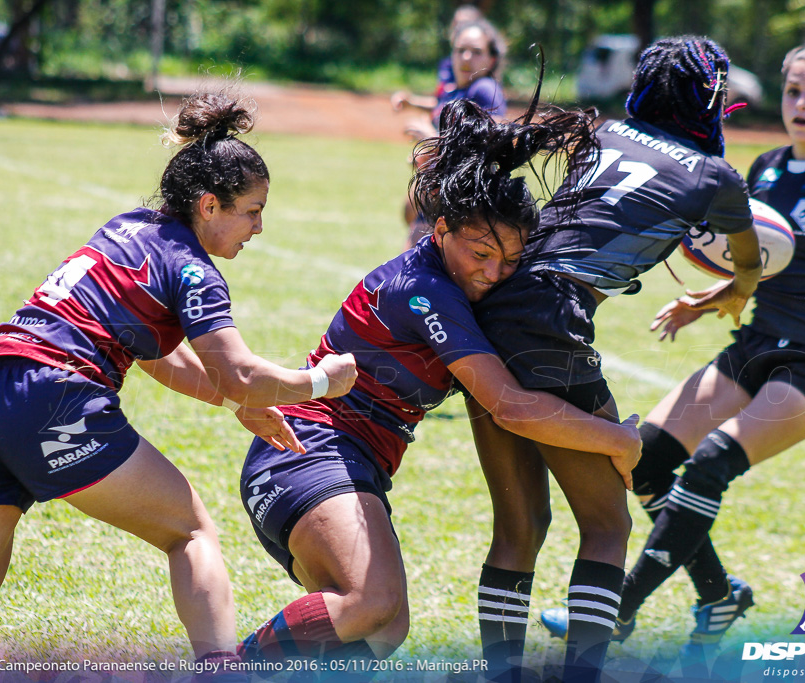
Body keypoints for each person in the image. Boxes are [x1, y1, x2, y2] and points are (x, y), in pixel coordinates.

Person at [0, 91, 358, 683]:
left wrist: (239, 398)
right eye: (252, 210)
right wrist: (321, 380)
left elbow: (159, 357)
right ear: (208, 205)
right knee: (190, 530)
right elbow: (241, 371)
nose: (258, 227)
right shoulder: (194, 268)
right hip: (55, 396)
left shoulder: (128, 228)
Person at [235, 97, 645, 673]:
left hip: (349, 469)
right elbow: (511, 407)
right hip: (306, 455)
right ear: (442, 228)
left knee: (380, 631)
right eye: (480, 253)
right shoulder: (422, 289)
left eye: (509, 261)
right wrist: (617, 440)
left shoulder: (458, 281)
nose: (493, 273)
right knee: (371, 604)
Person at [556, 41, 805, 660]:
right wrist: (701, 302)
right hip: (757, 344)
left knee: (711, 464)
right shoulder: (765, 169)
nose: (801, 104)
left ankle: (617, 612)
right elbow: (746, 262)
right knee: (642, 461)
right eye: (793, 92)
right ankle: (719, 594)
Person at [467, 36, 765, 683]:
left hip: (489, 314)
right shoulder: (716, 177)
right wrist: (737, 289)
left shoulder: (601, 133)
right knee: (608, 523)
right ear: (708, 98)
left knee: (521, 524)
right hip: (550, 320)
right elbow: (751, 258)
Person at [393, 17, 509, 249]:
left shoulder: (484, 88)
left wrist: (434, 141)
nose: (466, 58)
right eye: (460, 50)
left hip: (464, 198)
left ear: (492, 59)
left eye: (476, 52)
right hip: (441, 193)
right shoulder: (456, 90)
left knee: (412, 268)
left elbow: (494, 136)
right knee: (409, 213)